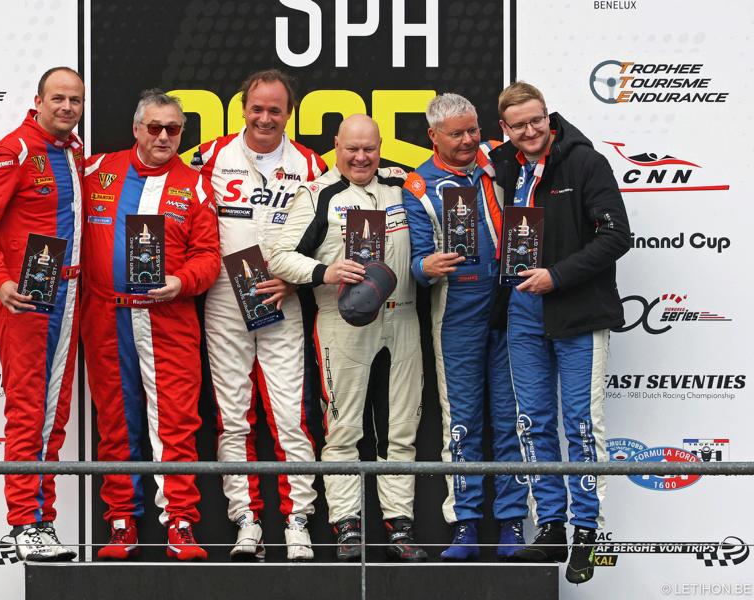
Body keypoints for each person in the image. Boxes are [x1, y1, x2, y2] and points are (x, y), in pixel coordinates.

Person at [490, 81, 631, 583]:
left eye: (537, 120)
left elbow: (617, 236)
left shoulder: (585, 162)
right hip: (523, 314)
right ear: (504, 128)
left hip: (578, 312)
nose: (530, 130)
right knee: (533, 423)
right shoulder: (502, 164)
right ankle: (549, 525)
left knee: (582, 425)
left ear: (548, 116)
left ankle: (587, 531)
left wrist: (558, 275)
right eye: (519, 125)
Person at [269, 114, 426, 563]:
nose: (360, 157)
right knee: (342, 428)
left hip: (403, 315)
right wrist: (325, 271)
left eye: (369, 149)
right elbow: (278, 256)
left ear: (380, 147)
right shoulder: (317, 193)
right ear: (336, 145)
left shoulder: (402, 184)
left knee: (401, 428)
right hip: (343, 319)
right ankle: (347, 525)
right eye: (351, 149)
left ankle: (400, 525)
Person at [191, 69, 324, 561]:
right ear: (242, 109)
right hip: (224, 298)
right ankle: (245, 519)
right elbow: (180, 216)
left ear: (289, 114)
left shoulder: (309, 163)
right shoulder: (209, 156)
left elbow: (327, 233)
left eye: (275, 110)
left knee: (291, 415)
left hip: (280, 298)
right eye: (257, 108)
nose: (265, 118)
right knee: (233, 417)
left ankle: (297, 520)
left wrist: (297, 280)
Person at [82, 89, 219, 561]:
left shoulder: (195, 185)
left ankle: (180, 522)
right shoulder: (96, 170)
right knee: (116, 423)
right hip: (107, 315)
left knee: (176, 424)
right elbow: (46, 209)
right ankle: (121, 521)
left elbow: (209, 257)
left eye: (173, 129)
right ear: (137, 129)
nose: (164, 137)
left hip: (168, 317)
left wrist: (181, 281)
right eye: (155, 127)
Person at [0, 67, 85, 561]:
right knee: (30, 410)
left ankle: (40, 521)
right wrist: (0, 279)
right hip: (29, 296)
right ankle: (25, 524)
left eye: (75, 100)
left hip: (68, 293)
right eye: (58, 98)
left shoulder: (73, 151)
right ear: (38, 101)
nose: (67, 107)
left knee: (53, 413)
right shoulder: (14, 149)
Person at [402, 93, 529, 561]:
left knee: (513, 417)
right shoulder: (419, 185)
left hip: (513, 301)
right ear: (433, 136)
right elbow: (415, 260)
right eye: (456, 134)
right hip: (458, 310)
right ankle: (466, 523)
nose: (468, 140)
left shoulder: (500, 157)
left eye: (472, 129)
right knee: (462, 421)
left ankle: (513, 522)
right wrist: (425, 266)